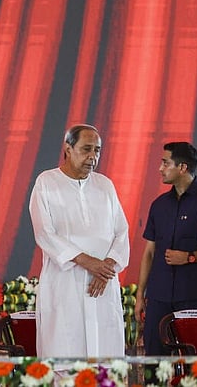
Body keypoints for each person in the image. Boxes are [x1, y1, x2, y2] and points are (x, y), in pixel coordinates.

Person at [29, 124, 130, 357]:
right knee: (66, 355)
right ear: (68, 149)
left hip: (103, 282)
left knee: (105, 358)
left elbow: (121, 232)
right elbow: (45, 233)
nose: (92, 157)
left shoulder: (105, 185)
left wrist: (106, 269)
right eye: (86, 149)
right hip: (65, 281)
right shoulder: (46, 182)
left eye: (97, 150)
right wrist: (87, 261)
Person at [134, 142, 197, 355]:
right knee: (154, 361)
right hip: (159, 296)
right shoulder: (159, 204)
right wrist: (141, 295)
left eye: (165, 163)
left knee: (196, 363)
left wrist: (190, 257)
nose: (160, 168)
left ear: (182, 167)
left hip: (196, 297)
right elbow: (149, 253)